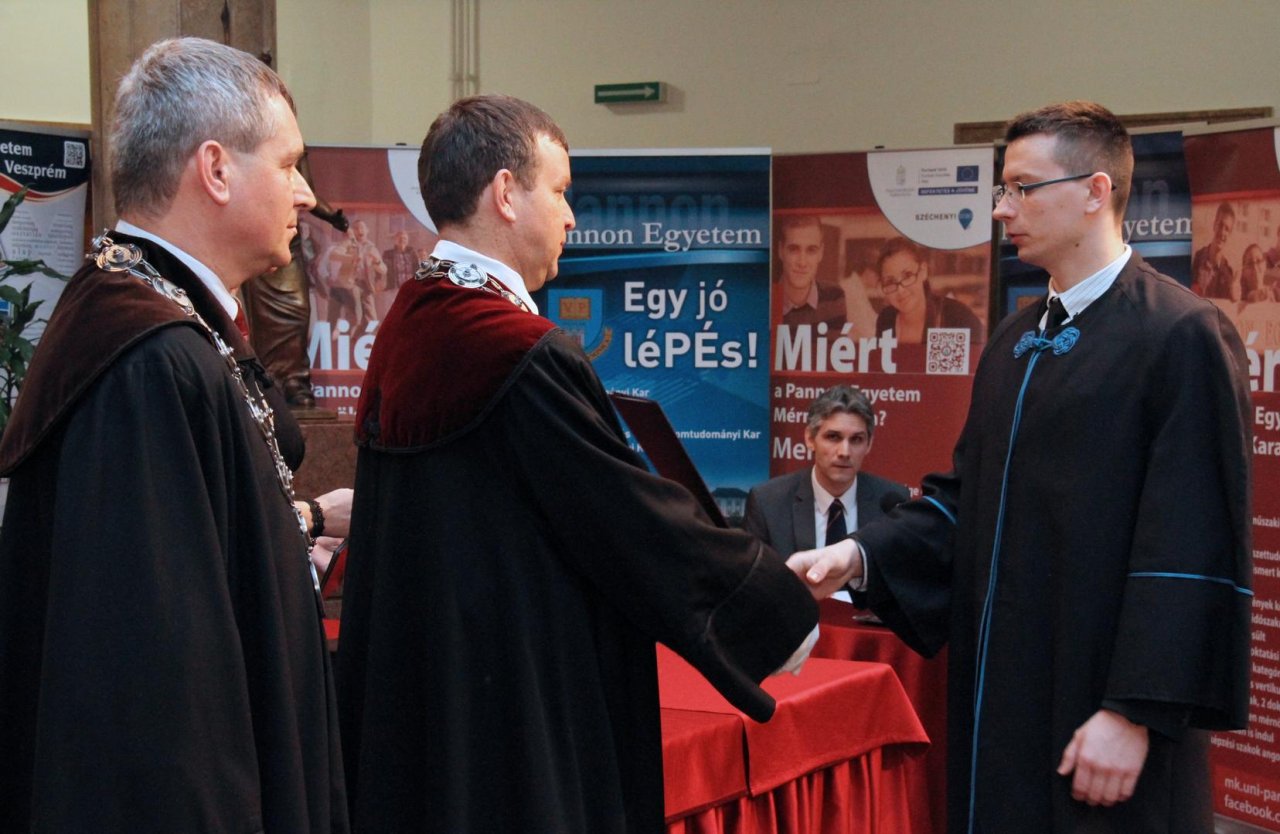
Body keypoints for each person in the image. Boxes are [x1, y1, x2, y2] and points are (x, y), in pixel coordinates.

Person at [333, 94, 822, 834]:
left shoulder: (408, 323)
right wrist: (770, 605)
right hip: (519, 706)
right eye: (560, 191)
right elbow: (627, 518)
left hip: (434, 696)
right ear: (505, 193)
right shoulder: (514, 350)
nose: (571, 218)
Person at [789, 101, 1253, 834]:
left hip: (1103, 712)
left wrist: (1135, 713)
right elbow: (966, 498)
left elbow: (1194, 542)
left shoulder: (1181, 334)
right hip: (1003, 704)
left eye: (1022, 188)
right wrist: (857, 555)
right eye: (1002, 190)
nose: (1002, 209)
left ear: (1096, 191)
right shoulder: (1016, 338)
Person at [0, 38, 350, 832]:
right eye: (289, 164)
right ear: (216, 169)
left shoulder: (166, 322)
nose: (304, 194)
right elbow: (159, 691)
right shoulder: (147, 362)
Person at [742, 384, 908, 558]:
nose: (844, 452)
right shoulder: (768, 503)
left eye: (856, 439)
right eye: (833, 437)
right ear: (810, 438)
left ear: (869, 444)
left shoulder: (892, 504)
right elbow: (755, 574)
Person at [242, 150, 348, 410]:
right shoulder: (251, 142)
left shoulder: (295, 147)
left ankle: (295, 381)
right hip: (259, 238)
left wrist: (330, 215)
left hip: (289, 241)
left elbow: (307, 192)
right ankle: (270, 384)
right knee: (262, 321)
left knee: (298, 310)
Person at [874, 236, 985, 352]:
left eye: (907, 275)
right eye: (890, 282)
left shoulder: (956, 316)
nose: (900, 290)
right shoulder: (886, 319)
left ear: (923, 271)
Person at [777, 215, 846, 330]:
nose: (802, 262)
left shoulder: (834, 297)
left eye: (811, 250)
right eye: (794, 249)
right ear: (780, 250)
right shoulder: (763, 298)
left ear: (821, 253)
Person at [325, 218, 384, 335]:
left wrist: (377, 262)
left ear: (367, 230)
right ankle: (345, 338)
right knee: (354, 317)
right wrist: (351, 258)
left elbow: (383, 269)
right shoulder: (348, 243)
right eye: (356, 228)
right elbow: (334, 255)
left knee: (371, 317)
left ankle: (367, 339)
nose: (359, 230)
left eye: (362, 228)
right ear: (353, 231)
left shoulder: (371, 247)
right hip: (349, 283)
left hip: (365, 284)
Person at [1191, 201, 1235, 297]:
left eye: (1227, 229)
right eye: (1220, 225)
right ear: (1214, 225)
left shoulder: (1228, 273)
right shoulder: (1197, 259)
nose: (1222, 232)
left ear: (1230, 234)